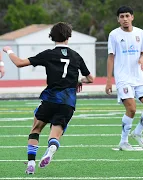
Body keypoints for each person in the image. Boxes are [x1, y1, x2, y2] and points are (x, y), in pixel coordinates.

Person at [2, 22, 94, 174]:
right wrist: (78, 81)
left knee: (36, 129)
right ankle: (51, 148)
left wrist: (9, 50)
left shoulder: (48, 54)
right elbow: (90, 78)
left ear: (52, 37)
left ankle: (31, 163)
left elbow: (19, 63)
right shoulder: (76, 56)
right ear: (69, 36)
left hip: (50, 99)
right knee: (55, 135)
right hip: (68, 102)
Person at [105, 6, 143, 151]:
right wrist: (109, 80)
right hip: (123, 78)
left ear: (132, 17)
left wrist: (142, 58)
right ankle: (123, 141)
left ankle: (138, 132)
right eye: (121, 16)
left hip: (138, 77)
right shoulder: (114, 35)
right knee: (131, 109)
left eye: (127, 16)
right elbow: (110, 57)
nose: (125, 19)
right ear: (118, 19)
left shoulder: (140, 33)